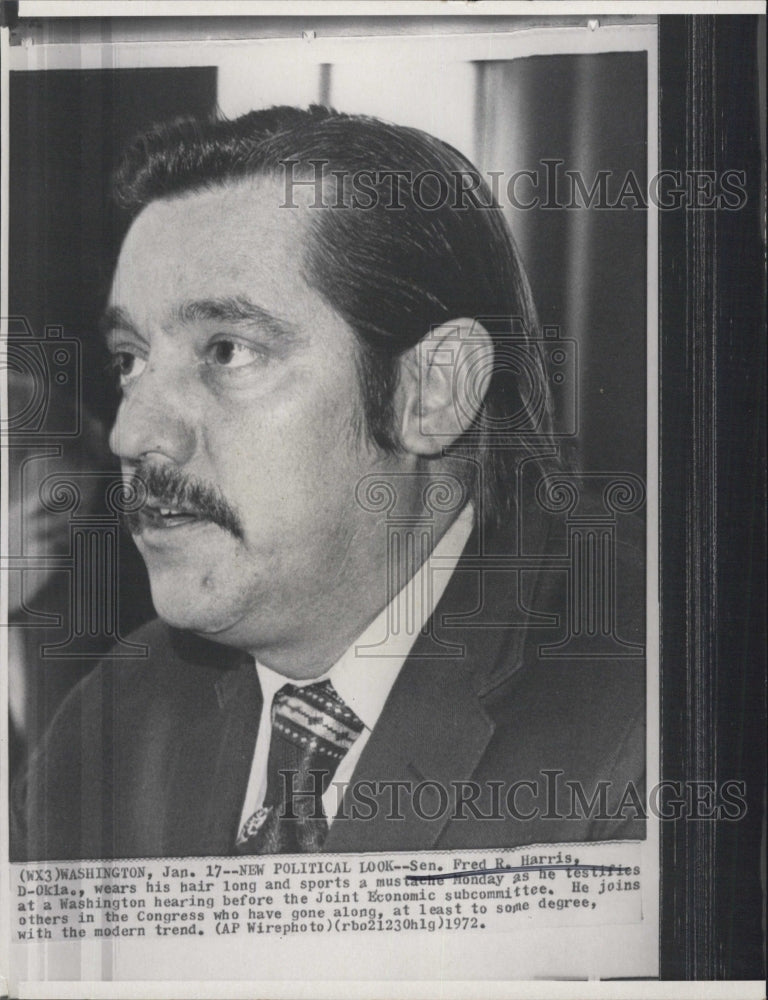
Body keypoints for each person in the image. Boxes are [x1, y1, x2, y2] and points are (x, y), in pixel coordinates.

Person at [11, 105, 645, 861]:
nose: (132, 434)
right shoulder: (105, 728)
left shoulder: (657, 721)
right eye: (130, 360)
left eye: (226, 350)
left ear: (432, 391)